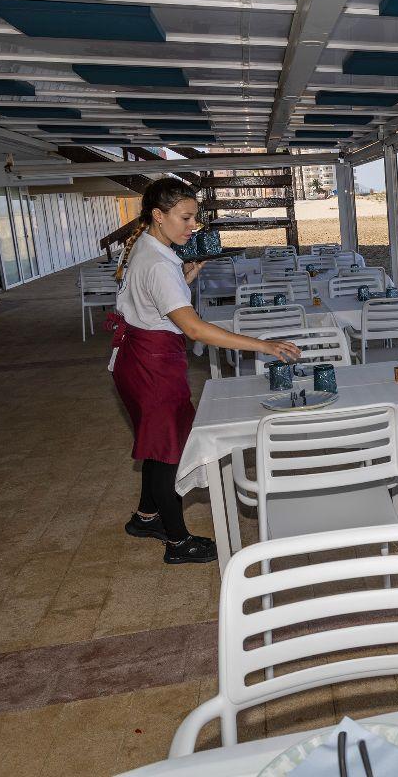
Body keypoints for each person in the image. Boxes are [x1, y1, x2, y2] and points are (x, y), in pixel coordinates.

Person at [110, 178, 300, 564]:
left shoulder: (150, 250)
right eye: (185, 217)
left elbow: (150, 300)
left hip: (137, 359)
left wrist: (184, 280)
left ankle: (147, 518)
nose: (192, 226)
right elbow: (194, 328)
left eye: (194, 217)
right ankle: (178, 543)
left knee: (155, 442)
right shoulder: (159, 263)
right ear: (158, 216)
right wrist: (262, 345)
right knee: (168, 453)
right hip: (151, 366)